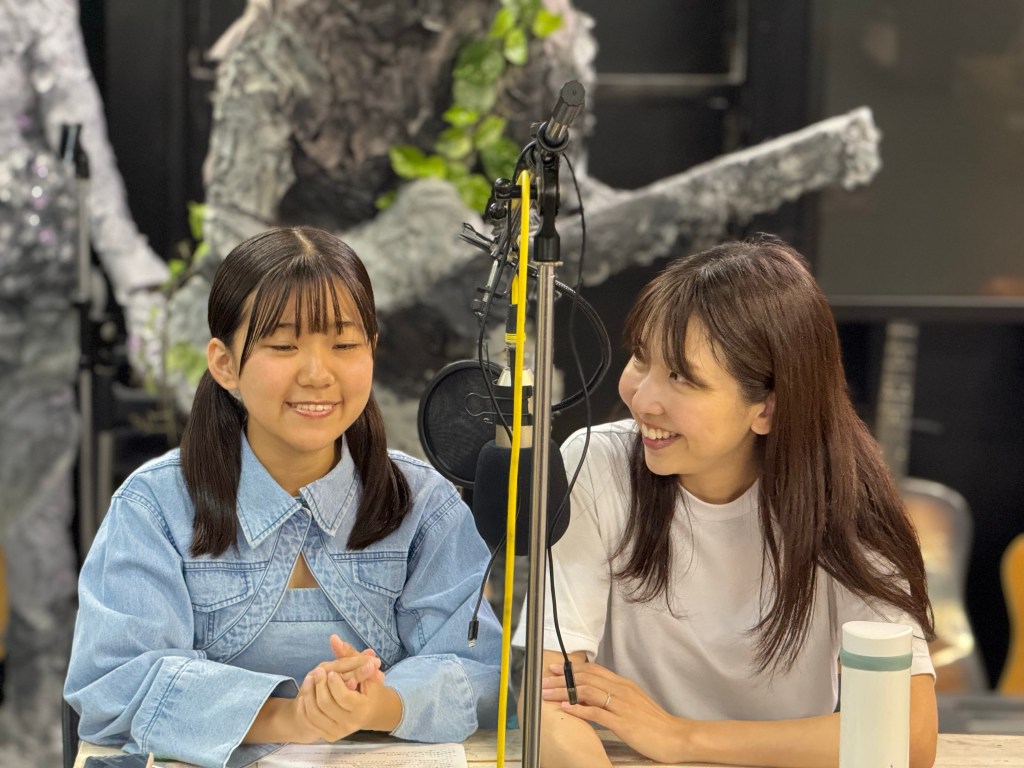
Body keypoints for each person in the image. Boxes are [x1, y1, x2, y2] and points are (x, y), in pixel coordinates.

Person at [64, 227, 502, 768]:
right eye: (283, 346)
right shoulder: (154, 506)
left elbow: (480, 671)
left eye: (344, 345)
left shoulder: (423, 506)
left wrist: (373, 706)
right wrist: (295, 718)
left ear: (372, 351)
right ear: (224, 364)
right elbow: (112, 683)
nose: (317, 374)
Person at [523, 236, 938, 767]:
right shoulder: (596, 463)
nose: (642, 399)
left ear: (767, 409)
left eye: (681, 378)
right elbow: (547, 701)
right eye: (641, 359)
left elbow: (907, 733)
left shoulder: (846, 495)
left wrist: (682, 739)